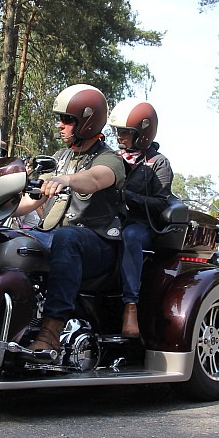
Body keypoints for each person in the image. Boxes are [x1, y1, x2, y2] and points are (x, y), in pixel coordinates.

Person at [14, 84, 126, 353]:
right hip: (53, 236)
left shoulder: (110, 159)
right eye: (60, 119)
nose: (60, 125)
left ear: (87, 122)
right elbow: (32, 200)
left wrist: (66, 179)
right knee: (6, 240)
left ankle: (52, 330)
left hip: (98, 245)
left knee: (67, 237)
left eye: (67, 120)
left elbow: (95, 179)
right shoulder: (59, 159)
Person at [111, 99, 172, 338]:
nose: (120, 136)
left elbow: (161, 203)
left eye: (126, 132)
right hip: (110, 221)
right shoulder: (113, 159)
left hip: (141, 225)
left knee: (131, 236)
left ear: (143, 134)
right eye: (118, 131)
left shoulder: (158, 163)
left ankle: (130, 306)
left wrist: (128, 196)